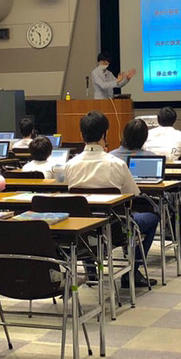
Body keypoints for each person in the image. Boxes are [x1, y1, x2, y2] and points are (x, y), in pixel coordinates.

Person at [64, 111, 157, 289]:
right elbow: (132, 196)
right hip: (116, 230)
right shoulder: (117, 164)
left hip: (83, 231)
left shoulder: (69, 166)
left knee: (86, 216)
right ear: (105, 134)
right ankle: (132, 273)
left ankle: (91, 272)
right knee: (152, 218)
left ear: (81, 135)